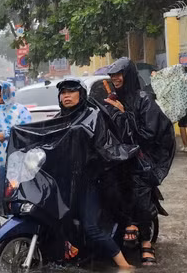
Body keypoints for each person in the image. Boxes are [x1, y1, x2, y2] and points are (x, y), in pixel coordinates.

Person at [55, 78, 136, 270]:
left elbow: (102, 146)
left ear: (81, 94)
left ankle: (125, 265)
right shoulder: (58, 118)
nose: (66, 96)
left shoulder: (93, 115)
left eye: (71, 92)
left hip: (89, 181)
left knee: (91, 227)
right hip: (66, 181)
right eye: (63, 93)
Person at [103, 58, 175, 267]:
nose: (115, 78)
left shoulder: (144, 99)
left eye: (119, 74)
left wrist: (125, 115)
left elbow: (148, 134)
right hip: (118, 156)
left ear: (129, 75)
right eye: (112, 75)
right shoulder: (112, 98)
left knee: (141, 195)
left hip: (141, 158)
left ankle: (146, 243)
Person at [0, 81, 32, 177]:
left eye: (0, 95)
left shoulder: (20, 110)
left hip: (22, 164)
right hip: (0, 166)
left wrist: (7, 134)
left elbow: (28, 132)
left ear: (8, 94)